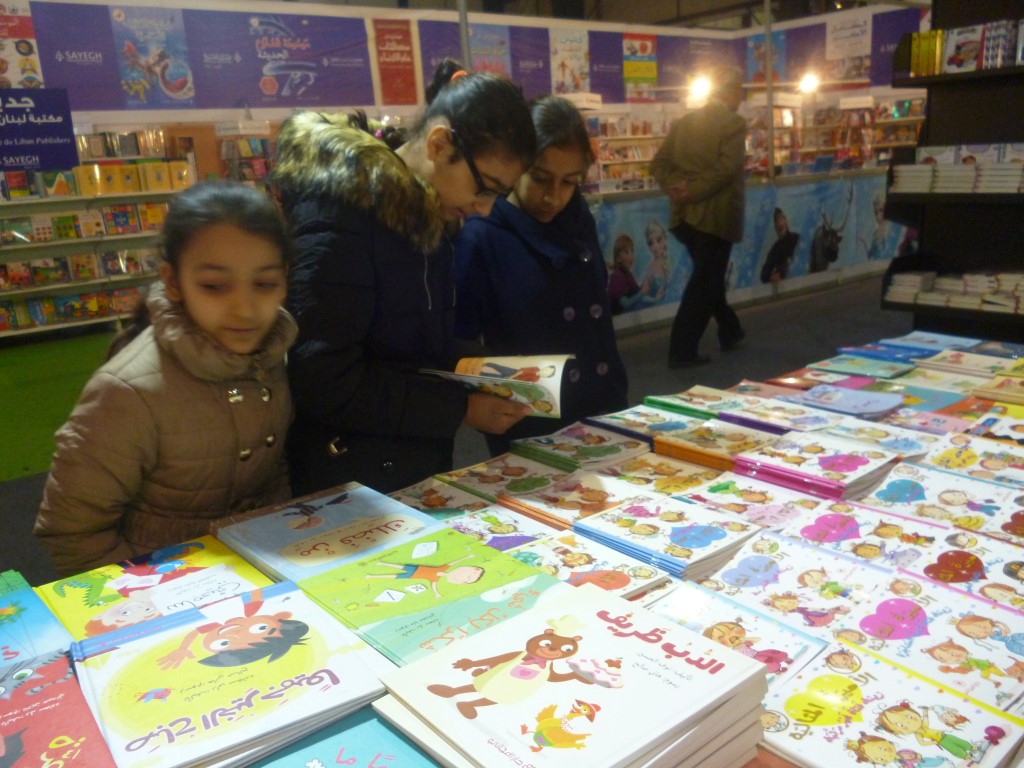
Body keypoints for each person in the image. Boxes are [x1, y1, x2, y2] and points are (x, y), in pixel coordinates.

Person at [273, 59, 536, 495]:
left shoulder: (426, 213)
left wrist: (487, 368)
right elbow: (323, 379)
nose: (485, 208)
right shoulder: (342, 211)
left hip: (406, 466)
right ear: (439, 143)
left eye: (500, 194)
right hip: (349, 482)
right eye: (485, 186)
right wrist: (459, 408)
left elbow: (410, 343)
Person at [34, 182, 297, 577]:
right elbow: (71, 531)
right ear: (173, 282)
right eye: (214, 286)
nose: (245, 310)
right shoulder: (128, 392)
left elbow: (272, 472)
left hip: (254, 575)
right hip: (163, 589)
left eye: (264, 284)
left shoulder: (270, 356)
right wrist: (149, 595)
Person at [453, 95, 629, 456]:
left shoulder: (578, 218)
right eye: (540, 178)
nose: (553, 197)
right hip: (532, 419)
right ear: (515, 165)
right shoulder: (482, 236)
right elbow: (459, 340)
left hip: (603, 403)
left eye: (569, 181)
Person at [652, 63, 746, 368]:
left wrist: (676, 188)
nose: (741, 97)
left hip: (683, 219)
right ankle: (681, 351)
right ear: (730, 92)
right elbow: (726, 170)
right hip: (715, 218)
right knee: (704, 284)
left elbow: (658, 165)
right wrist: (691, 191)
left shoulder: (683, 123)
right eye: (740, 91)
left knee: (709, 277)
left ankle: (730, 329)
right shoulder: (733, 124)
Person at [760, 207, 799, 284]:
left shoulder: (796, 239)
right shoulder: (775, 249)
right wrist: (771, 277)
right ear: (775, 227)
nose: (779, 224)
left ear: (785, 221)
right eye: (777, 222)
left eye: (781, 219)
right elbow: (763, 274)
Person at [607, 234, 642, 315]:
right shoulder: (617, 276)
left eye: (632, 251)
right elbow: (626, 304)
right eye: (626, 252)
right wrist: (643, 292)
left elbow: (638, 293)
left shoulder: (628, 274)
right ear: (618, 258)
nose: (631, 256)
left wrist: (655, 299)